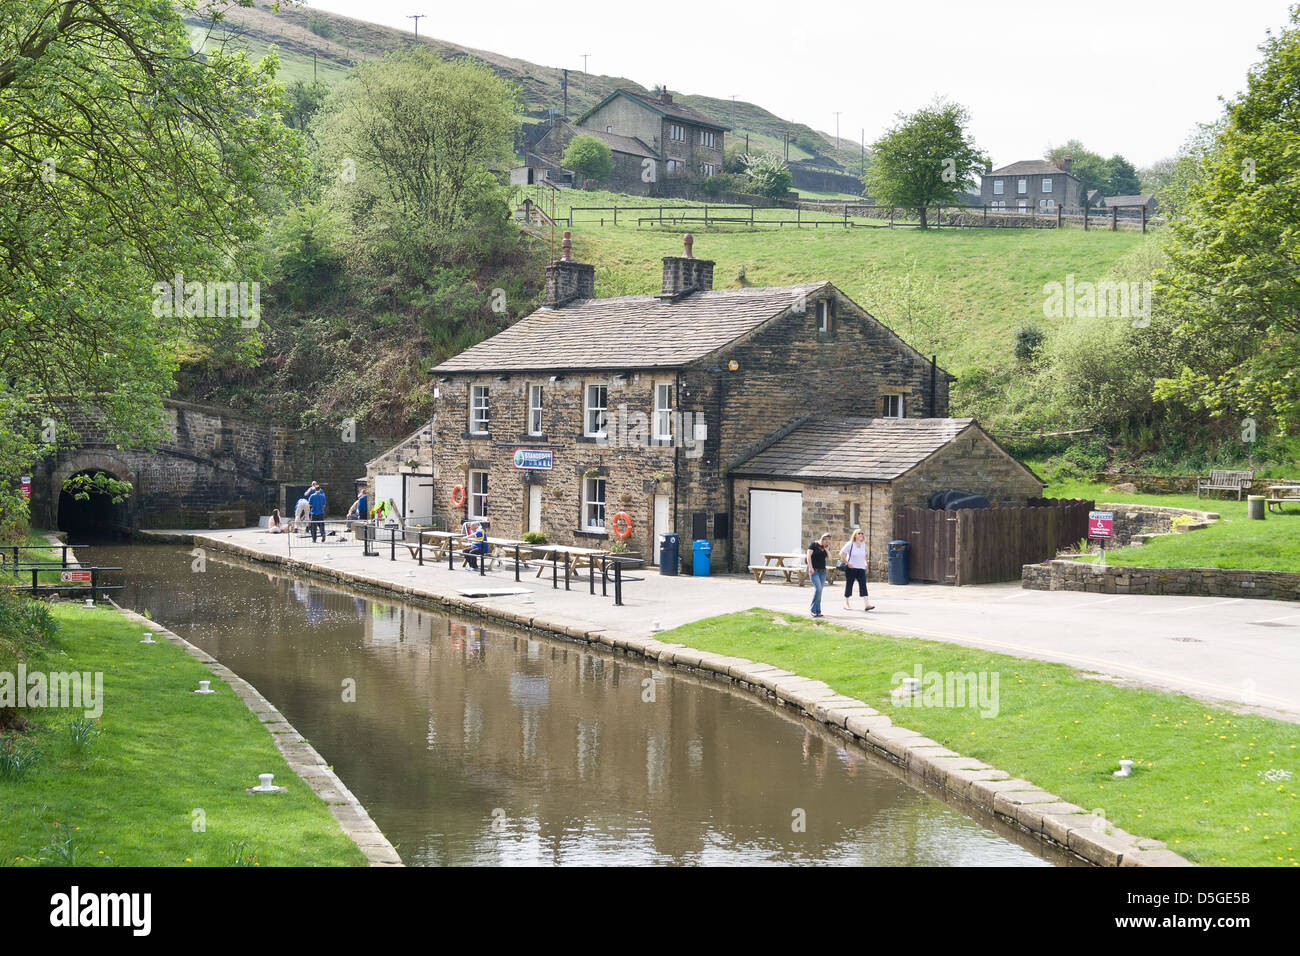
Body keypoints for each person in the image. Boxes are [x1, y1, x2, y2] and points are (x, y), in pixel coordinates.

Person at [839, 527, 874, 612]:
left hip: (861, 568)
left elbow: (863, 556)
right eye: (859, 533)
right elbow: (841, 554)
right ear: (855, 535)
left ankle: (867, 604)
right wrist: (848, 563)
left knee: (863, 585)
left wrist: (865, 563)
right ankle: (846, 603)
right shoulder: (850, 544)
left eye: (862, 533)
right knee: (849, 585)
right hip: (851, 568)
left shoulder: (863, 544)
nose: (861, 534)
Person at [806, 532, 831, 618]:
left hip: (822, 572)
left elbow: (830, 558)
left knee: (819, 591)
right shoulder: (814, 545)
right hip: (814, 571)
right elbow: (808, 556)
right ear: (822, 539)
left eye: (829, 542)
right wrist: (810, 567)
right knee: (818, 589)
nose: (828, 543)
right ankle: (813, 610)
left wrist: (827, 549)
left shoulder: (826, 547)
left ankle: (818, 611)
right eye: (826, 542)